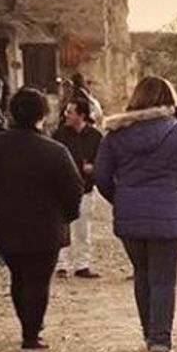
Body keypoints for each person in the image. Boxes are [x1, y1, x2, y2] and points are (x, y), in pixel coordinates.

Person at [94, 76, 177, 352]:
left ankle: (149, 332)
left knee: (142, 274)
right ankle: (161, 340)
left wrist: (122, 199)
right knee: (163, 278)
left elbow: (100, 177)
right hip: (169, 214)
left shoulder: (116, 134)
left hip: (130, 216)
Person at [0, 89, 86, 349]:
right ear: (43, 115)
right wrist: (67, 216)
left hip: (6, 223)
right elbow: (73, 189)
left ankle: (27, 323)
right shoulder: (55, 151)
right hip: (45, 227)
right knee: (38, 280)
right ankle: (31, 331)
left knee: (18, 277)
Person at [52, 98, 104, 279]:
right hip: (62, 188)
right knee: (61, 226)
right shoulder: (59, 135)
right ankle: (61, 265)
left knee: (83, 228)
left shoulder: (96, 137)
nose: (67, 115)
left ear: (81, 115)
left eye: (71, 112)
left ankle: (82, 264)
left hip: (85, 188)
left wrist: (93, 168)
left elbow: (104, 162)